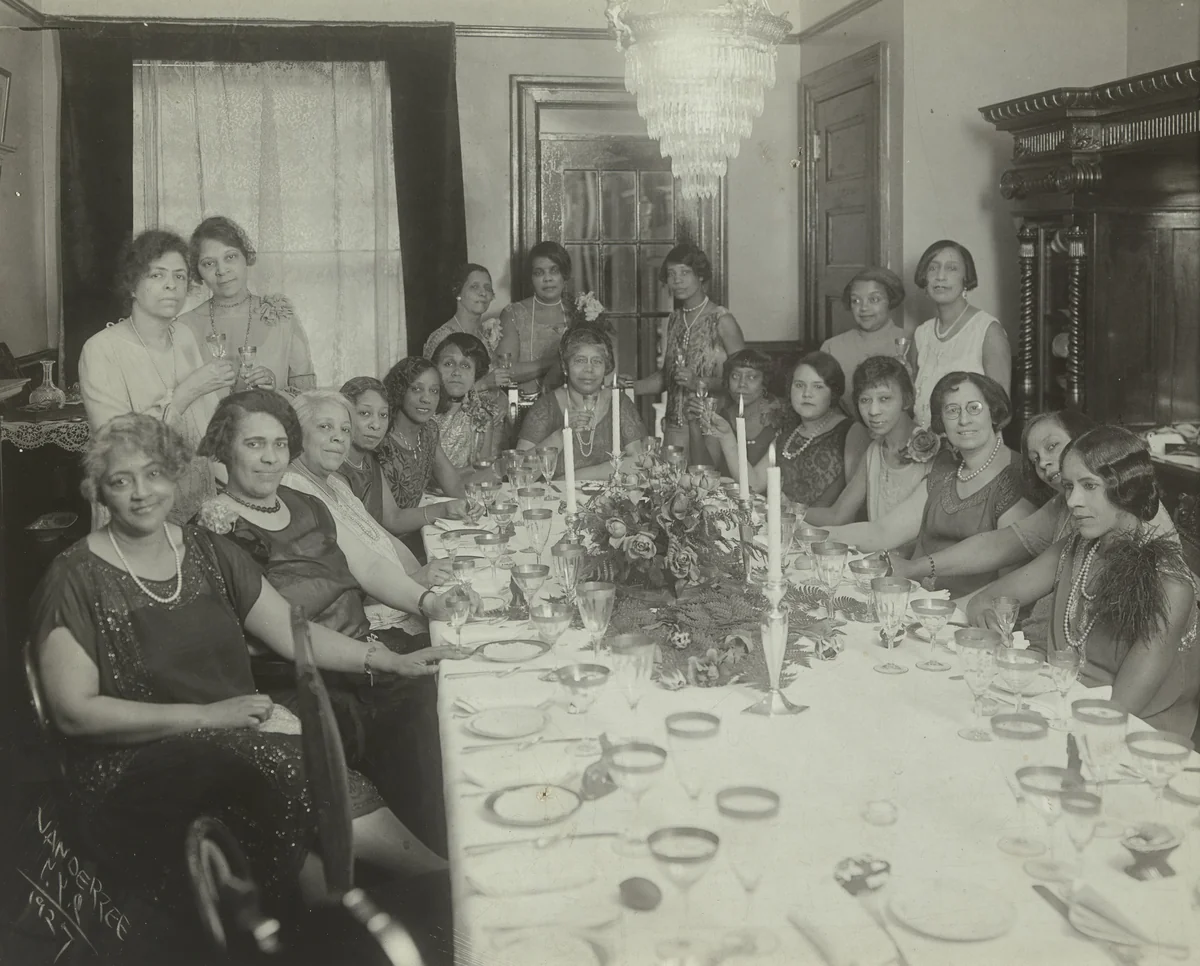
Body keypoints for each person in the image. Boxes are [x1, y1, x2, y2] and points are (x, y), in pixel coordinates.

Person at [33, 414, 451, 910]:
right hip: (133, 763)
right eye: (121, 481)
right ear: (98, 491)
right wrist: (210, 717)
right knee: (286, 763)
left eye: (153, 474)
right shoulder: (74, 576)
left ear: (174, 475)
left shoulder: (210, 552)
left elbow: (293, 635)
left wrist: (385, 661)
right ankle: (440, 881)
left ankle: (378, 905)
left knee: (302, 765)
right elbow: (73, 713)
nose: (141, 492)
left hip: (228, 736)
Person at [194, 390, 464, 852]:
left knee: (451, 700)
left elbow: (371, 568)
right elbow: (287, 635)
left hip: (362, 658)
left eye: (279, 445)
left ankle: (451, 859)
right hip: (306, 682)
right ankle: (432, 877)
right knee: (417, 721)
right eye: (254, 445)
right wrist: (386, 662)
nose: (269, 458)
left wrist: (427, 602)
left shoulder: (307, 504)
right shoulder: (221, 532)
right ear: (225, 449)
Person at [971, 426, 1199, 735]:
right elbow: (983, 601)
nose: (1073, 501)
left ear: (1126, 488)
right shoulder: (1074, 550)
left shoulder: (1170, 584)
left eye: (1089, 485)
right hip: (1063, 711)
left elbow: (1118, 712)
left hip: (1137, 741)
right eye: (1068, 486)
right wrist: (989, 622)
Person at [827, 372, 1035, 595]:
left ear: (994, 413)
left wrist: (952, 612)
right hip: (917, 598)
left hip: (970, 612)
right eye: (952, 410)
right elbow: (883, 531)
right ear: (941, 421)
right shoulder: (946, 468)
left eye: (974, 408)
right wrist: (814, 534)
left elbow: (1010, 581)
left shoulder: (1018, 475)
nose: (964, 420)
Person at [79, 229, 234, 523]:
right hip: (139, 506)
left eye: (179, 276)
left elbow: (207, 426)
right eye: (157, 275)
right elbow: (119, 451)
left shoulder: (185, 336)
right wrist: (186, 392)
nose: (171, 286)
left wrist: (234, 489)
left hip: (198, 496)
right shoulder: (101, 349)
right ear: (132, 285)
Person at [804, 357, 935, 555]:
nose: (873, 411)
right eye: (865, 400)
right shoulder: (874, 450)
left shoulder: (933, 451)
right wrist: (788, 511)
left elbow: (896, 534)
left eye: (884, 399)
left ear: (907, 399)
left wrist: (811, 535)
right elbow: (837, 515)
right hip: (876, 562)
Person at [707, 351, 868, 508]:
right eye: (799, 385)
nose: (806, 394)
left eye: (818, 387)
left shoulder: (851, 431)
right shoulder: (789, 435)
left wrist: (787, 508)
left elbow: (846, 515)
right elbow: (753, 484)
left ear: (833, 392)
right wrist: (726, 436)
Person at [624, 244, 745, 451]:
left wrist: (698, 382)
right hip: (674, 426)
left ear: (700, 276)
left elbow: (742, 381)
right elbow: (667, 377)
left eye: (685, 273)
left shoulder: (722, 320)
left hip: (712, 425)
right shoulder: (673, 320)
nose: (677, 280)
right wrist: (629, 387)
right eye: (671, 274)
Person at [178, 216, 315, 392]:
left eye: (230, 257)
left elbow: (307, 403)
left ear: (246, 258)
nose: (222, 270)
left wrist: (274, 392)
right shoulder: (184, 327)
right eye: (209, 263)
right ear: (198, 272)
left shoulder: (280, 318)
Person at [518, 325, 647, 479]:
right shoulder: (545, 408)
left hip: (610, 499)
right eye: (580, 361)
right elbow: (521, 475)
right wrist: (560, 435)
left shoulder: (619, 402)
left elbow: (638, 463)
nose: (589, 369)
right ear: (565, 366)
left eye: (597, 361)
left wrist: (572, 478)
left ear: (607, 367)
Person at [910, 240, 1011, 427]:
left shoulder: (987, 331)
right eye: (932, 268)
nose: (940, 276)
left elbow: (1002, 413)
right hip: (922, 448)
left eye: (952, 268)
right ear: (925, 278)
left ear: (966, 279)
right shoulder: (921, 334)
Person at [377, 357, 467, 522]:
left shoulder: (429, 431)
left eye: (434, 391)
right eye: (417, 389)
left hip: (417, 531)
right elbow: (390, 520)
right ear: (400, 391)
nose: (426, 399)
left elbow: (453, 486)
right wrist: (443, 510)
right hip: (385, 537)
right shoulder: (380, 439)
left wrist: (469, 505)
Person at [495, 241, 576, 398]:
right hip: (525, 407)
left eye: (554, 271)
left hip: (573, 407)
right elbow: (505, 372)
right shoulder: (513, 314)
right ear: (530, 278)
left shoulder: (579, 311)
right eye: (539, 273)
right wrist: (555, 362)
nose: (547, 279)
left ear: (564, 275)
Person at [821, 268, 909, 410]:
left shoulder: (910, 341)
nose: (863, 308)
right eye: (856, 300)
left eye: (874, 299)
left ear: (890, 301)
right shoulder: (832, 347)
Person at [685, 348, 783, 475]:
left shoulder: (778, 416)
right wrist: (693, 425)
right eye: (735, 376)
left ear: (764, 383)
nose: (742, 384)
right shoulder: (722, 417)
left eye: (751, 377)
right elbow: (704, 470)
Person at [422, 264, 512, 388]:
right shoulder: (443, 336)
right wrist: (484, 384)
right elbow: (434, 389)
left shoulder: (485, 335)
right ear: (458, 292)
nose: (483, 293)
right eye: (474, 287)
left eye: (487, 288)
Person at [431, 333, 502, 470]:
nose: (456, 372)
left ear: (476, 374)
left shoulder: (482, 418)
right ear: (436, 368)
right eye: (449, 364)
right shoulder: (424, 410)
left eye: (465, 366)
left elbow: (482, 472)